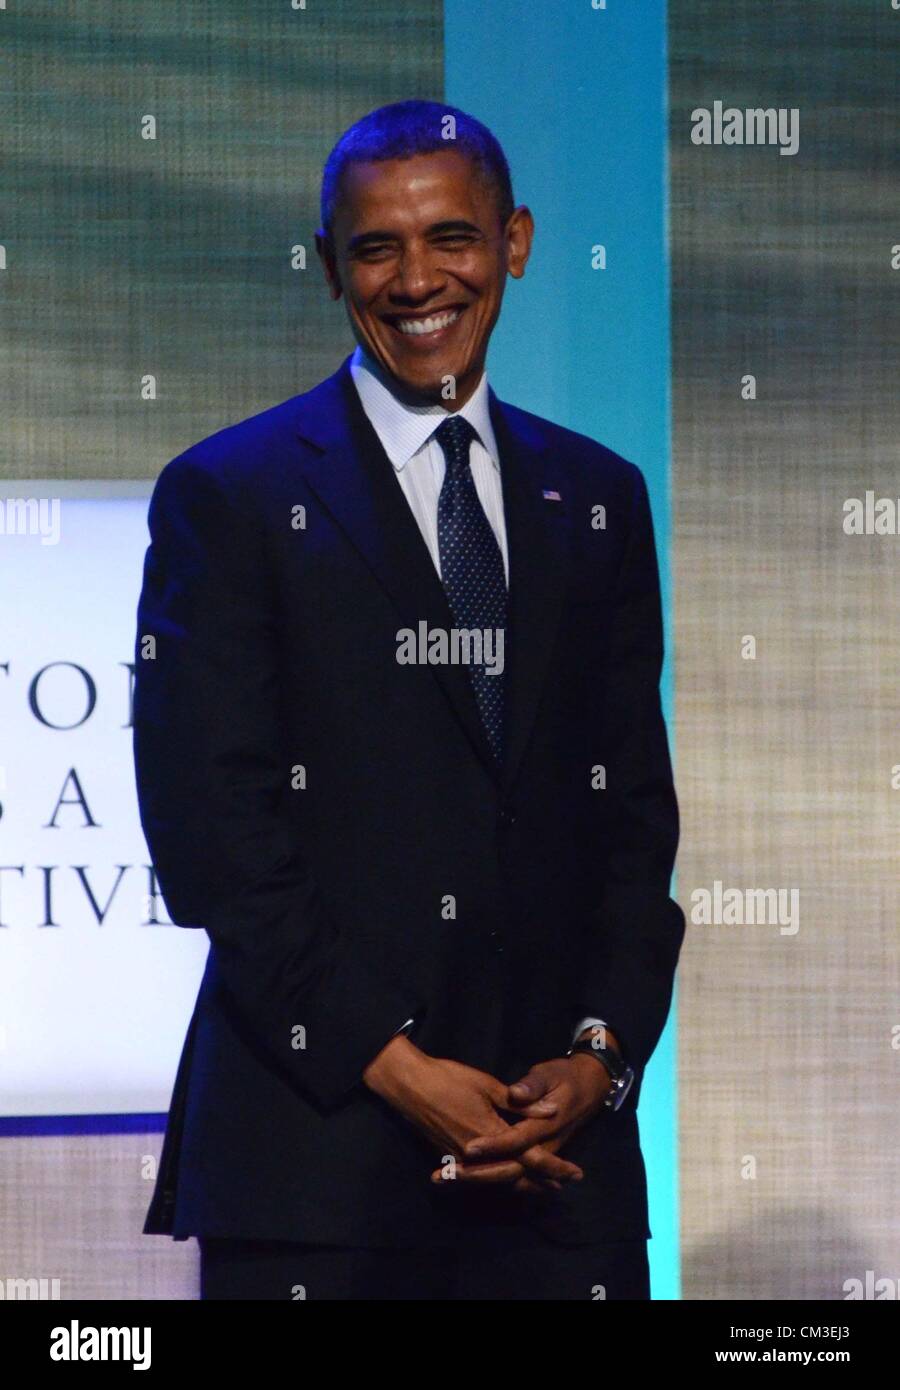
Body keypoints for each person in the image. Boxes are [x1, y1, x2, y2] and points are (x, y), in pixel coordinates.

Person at [133, 99, 684, 1301]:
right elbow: (213, 840)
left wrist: (598, 1061)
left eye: (453, 238)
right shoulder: (228, 496)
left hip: (559, 1175)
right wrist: (398, 1066)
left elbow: (634, 823)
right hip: (321, 1172)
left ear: (516, 243)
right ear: (330, 265)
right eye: (376, 247)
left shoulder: (597, 495)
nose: (417, 278)